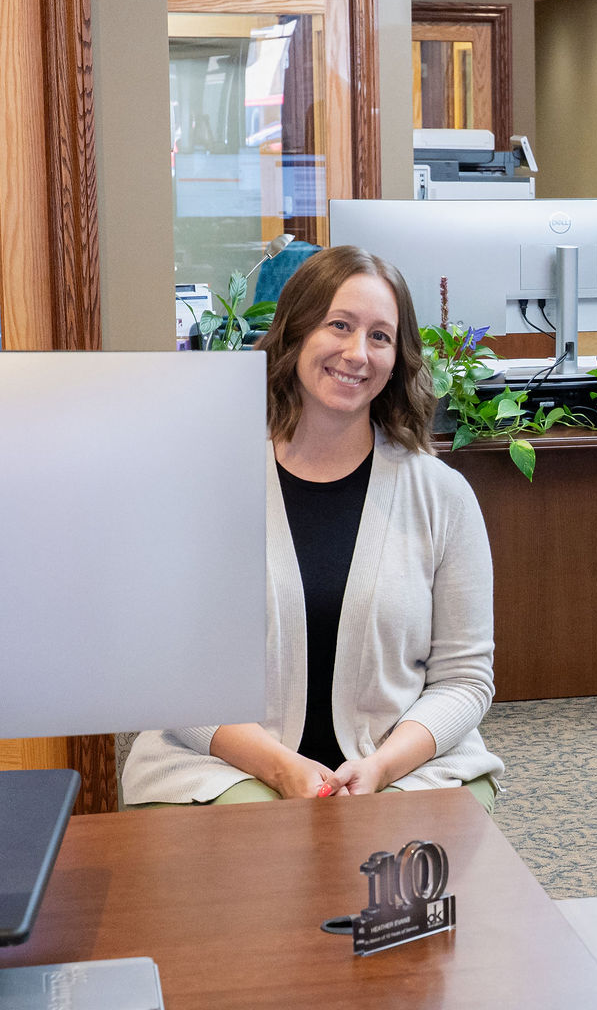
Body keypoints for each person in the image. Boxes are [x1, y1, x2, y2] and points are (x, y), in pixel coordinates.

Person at [123, 245, 504, 810]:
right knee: (266, 861)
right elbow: (171, 676)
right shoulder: (205, 483)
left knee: (401, 874)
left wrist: (380, 766)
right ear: (297, 332)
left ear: (398, 358)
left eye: (380, 336)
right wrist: (281, 769)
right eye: (339, 326)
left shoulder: (442, 496)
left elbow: (464, 679)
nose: (357, 353)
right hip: (223, 766)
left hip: (403, 767)